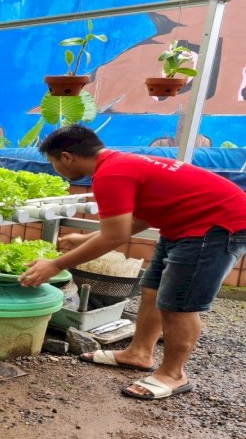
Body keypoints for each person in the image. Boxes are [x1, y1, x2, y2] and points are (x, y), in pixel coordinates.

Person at [21, 125, 246, 400]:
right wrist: (88, 238)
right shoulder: (120, 164)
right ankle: (139, 353)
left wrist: (55, 265)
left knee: (179, 303)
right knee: (151, 289)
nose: (56, 168)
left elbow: (114, 237)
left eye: (53, 162)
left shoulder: (110, 174)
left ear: (66, 157)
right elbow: (140, 218)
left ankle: (174, 375)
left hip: (214, 228)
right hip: (184, 225)